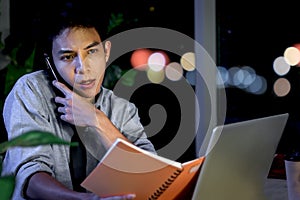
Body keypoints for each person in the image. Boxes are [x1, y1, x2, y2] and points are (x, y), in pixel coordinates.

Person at [1, 5, 156, 200]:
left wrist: (97, 120)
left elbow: (151, 175)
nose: (83, 68)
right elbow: (30, 175)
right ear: (52, 62)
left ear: (106, 51)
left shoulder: (122, 109)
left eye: (91, 52)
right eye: (68, 57)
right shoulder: (31, 90)